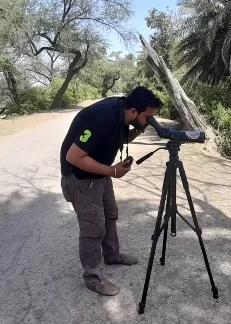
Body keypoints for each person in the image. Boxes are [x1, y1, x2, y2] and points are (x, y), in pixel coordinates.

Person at [59, 86, 163, 296]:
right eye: (148, 117)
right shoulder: (104, 117)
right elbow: (74, 157)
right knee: (92, 227)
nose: (150, 121)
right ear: (134, 112)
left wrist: (140, 128)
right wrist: (113, 170)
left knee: (109, 216)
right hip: (80, 178)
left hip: (99, 174)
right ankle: (93, 278)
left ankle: (112, 255)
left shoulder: (122, 110)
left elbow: (121, 137)